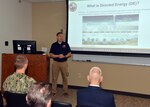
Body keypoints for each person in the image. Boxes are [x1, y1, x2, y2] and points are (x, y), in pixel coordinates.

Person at [49, 32, 71, 96]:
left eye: (62, 36)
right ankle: (53, 91)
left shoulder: (66, 44)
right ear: (57, 37)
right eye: (59, 36)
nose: (61, 37)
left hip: (64, 63)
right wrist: (57, 56)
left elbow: (70, 53)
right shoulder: (54, 45)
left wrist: (64, 56)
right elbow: (50, 54)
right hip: (56, 63)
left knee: (64, 77)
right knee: (54, 78)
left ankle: (65, 91)